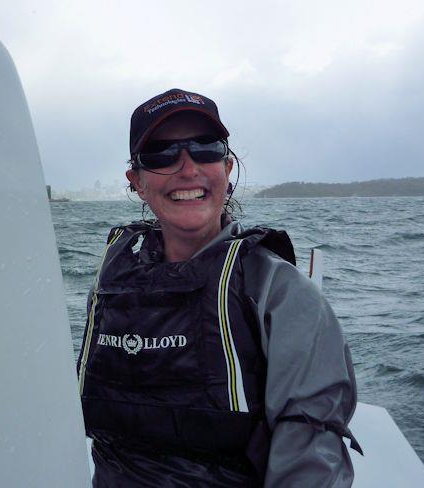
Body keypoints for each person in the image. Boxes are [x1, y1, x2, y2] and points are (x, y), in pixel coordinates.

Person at [76, 88, 360, 487]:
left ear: (227, 169)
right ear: (136, 181)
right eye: (161, 153)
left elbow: (310, 450)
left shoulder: (278, 291)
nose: (188, 168)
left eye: (206, 148)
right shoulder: (114, 282)